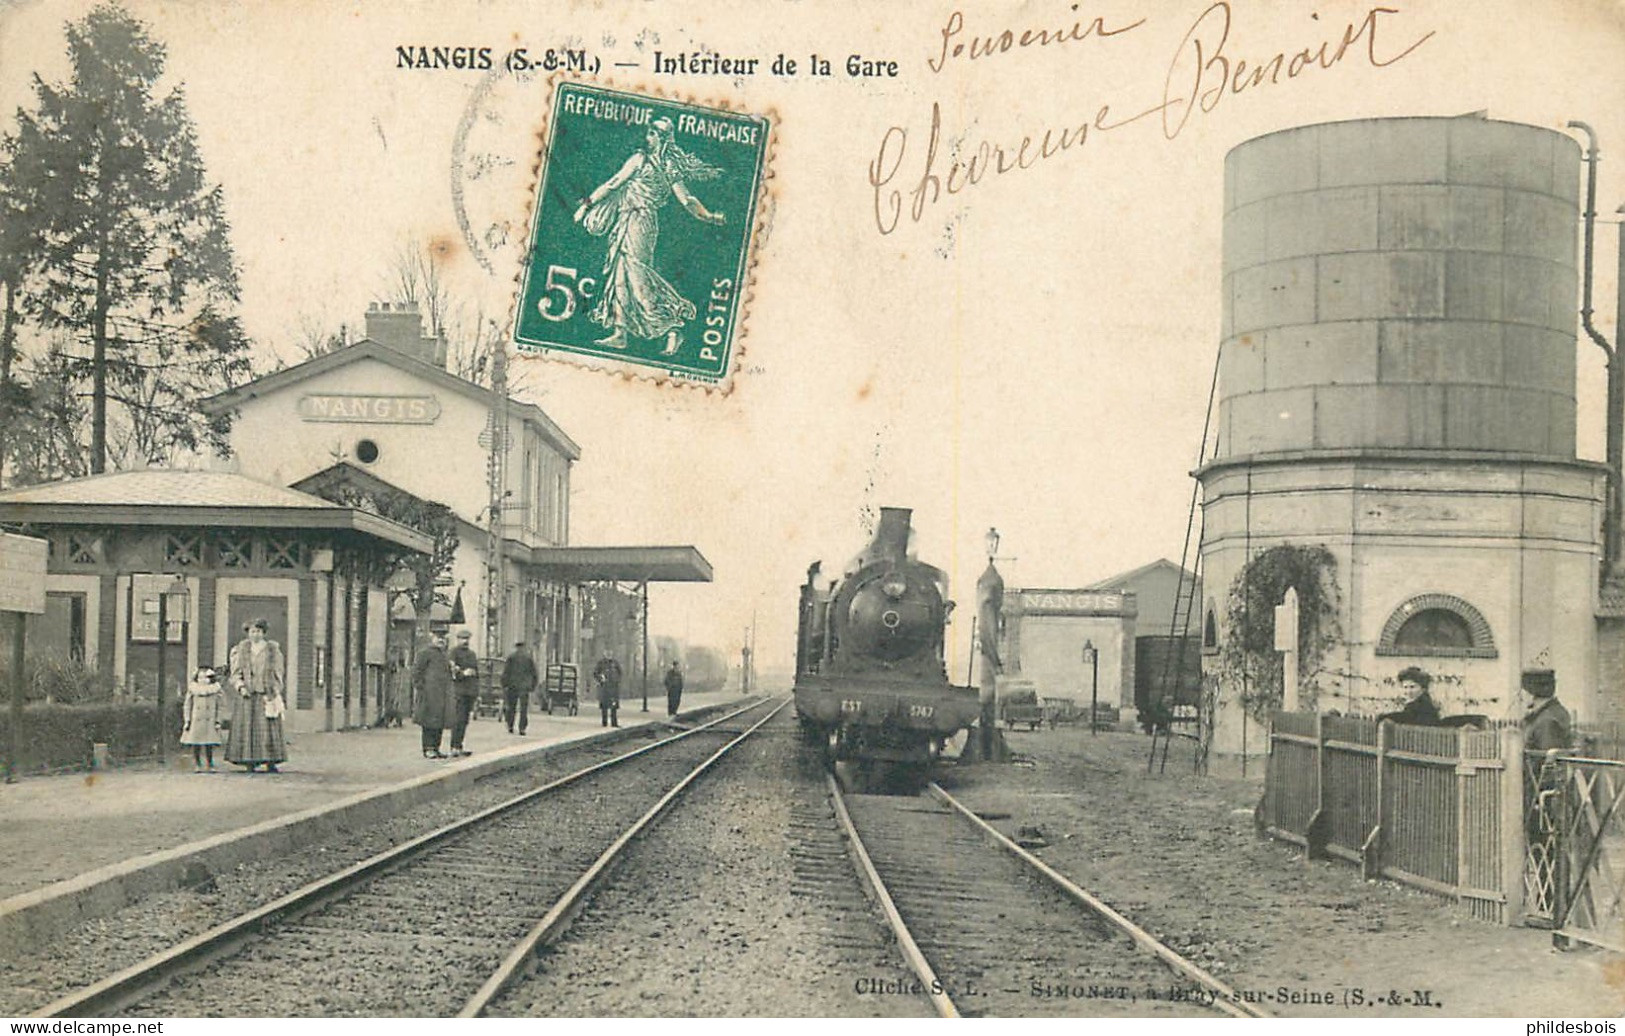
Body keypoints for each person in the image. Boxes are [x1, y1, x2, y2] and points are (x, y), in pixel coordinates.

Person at [572, 117, 727, 355]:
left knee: (637, 275)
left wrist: (708, 216)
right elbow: (615, 184)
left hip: (641, 223)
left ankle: (672, 327)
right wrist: (588, 203)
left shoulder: (659, 165)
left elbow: (686, 200)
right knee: (619, 273)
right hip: (627, 220)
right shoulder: (650, 162)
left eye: (653, 133)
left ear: (662, 138)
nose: (648, 137)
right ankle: (620, 333)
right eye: (649, 132)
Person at [225, 618, 288, 773]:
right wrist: (240, 687)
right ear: (248, 633)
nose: (255, 635)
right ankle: (249, 761)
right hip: (248, 695)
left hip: (266, 694)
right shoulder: (240, 651)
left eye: (259, 631)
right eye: (252, 631)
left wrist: (275, 690)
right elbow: (235, 673)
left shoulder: (272, 651)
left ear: (264, 633)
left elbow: (278, 672)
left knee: (268, 728)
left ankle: (270, 761)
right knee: (248, 727)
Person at [413, 630, 455, 759]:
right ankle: (428, 748)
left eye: (443, 638)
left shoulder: (445, 655)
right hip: (429, 693)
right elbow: (417, 672)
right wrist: (421, 688)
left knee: (440, 721)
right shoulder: (425, 653)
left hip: (443, 694)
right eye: (438, 637)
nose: (441, 640)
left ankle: (436, 748)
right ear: (432, 638)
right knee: (428, 721)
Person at [180, 667, 225, 772]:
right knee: (196, 743)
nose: (203, 680)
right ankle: (197, 763)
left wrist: (218, 720)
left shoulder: (215, 690)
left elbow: (221, 706)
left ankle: (210, 763)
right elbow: (187, 705)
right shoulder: (193, 690)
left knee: (209, 743)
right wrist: (187, 720)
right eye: (200, 678)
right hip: (196, 720)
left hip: (210, 720)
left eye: (206, 678)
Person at [1521, 668, 1572, 754]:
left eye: (1522, 691)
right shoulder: (1553, 713)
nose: (1521, 697)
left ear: (1532, 693)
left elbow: (1547, 759)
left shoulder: (1546, 722)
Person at [447, 629, 481, 756]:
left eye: (467, 639)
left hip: (469, 691)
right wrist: (463, 673)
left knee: (465, 720)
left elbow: (476, 673)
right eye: (462, 638)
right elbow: (452, 670)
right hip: (458, 690)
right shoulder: (453, 653)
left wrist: (477, 692)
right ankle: (454, 746)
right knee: (458, 719)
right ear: (458, 639)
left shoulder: (472, 654)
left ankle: (459, 746)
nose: (465, 641)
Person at [502, 640, 538, 735]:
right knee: (523, 708)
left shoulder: (511, 657)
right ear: (524, 647)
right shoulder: (528, 658)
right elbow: (534, 673)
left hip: (512, 685)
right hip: (524, 687)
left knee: (511, 707)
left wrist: (504, 684)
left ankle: (510, 725)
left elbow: (506, 671)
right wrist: (533, 686)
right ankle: (522, 728)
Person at [593, 649, 623, 728]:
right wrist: (600, 679)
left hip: (613, 688)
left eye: (610, 653)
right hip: (604, 688)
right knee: (604, 706)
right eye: (607, 653)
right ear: (604, 654)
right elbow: (595, 673)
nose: (609, 655)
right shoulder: (601, 663)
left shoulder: (615, 663)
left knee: (614, 706)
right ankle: (604, 722)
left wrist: (617, 680)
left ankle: (614, 723)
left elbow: (620, 672)